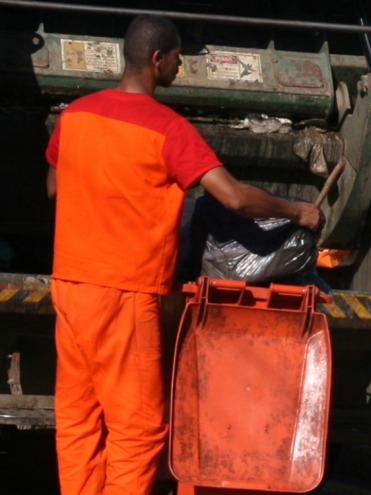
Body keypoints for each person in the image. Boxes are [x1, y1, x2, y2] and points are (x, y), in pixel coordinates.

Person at [45, 14, 321, 495]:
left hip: (69, 287)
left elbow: (54, 186)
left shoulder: (75, 115)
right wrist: (294, 211)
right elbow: (233, 198)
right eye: (177, 57)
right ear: (157, 60)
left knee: (79, 420)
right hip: (124, 295)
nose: (179, 65)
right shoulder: (167, 129)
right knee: (138, 430)